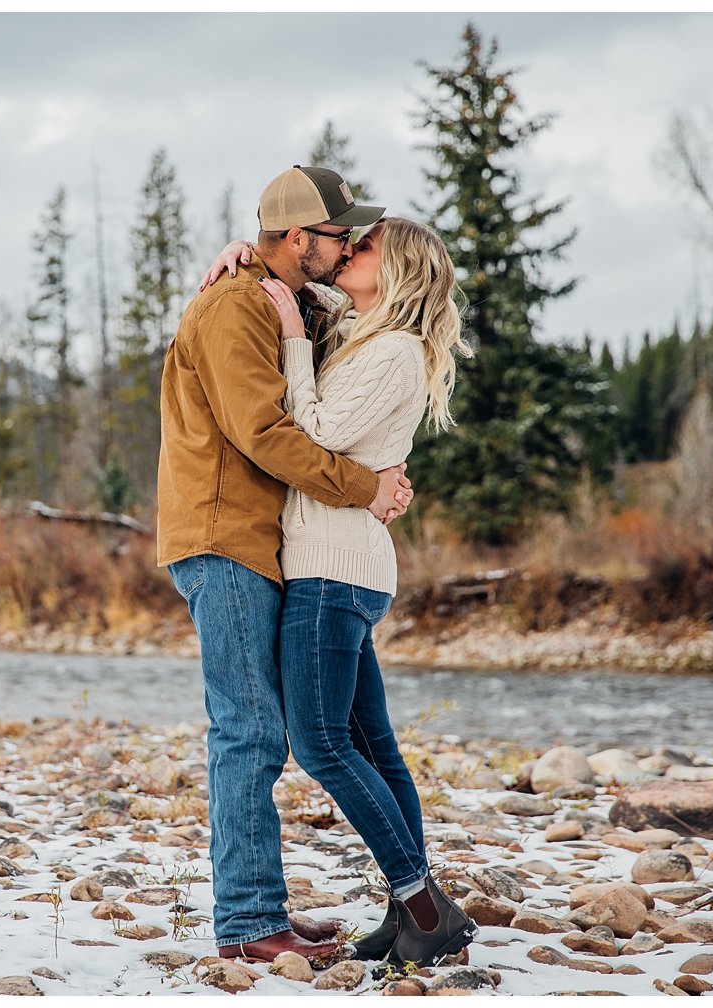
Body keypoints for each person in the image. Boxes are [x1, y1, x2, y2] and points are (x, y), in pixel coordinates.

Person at [201, 216, 478, 969]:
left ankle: (424, 903)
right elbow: (296, 265)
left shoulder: (390, 350)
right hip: (342, 565)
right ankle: (408, 914)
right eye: (347, 243)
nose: (347, 253)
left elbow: (313, 426)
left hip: (331, 569)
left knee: (320, 743)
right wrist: (243, 254)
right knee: (371, 746)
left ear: (399, 275)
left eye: (365, 249)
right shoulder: (364, 334)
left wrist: (290, 331)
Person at [156, 165, 412, 964]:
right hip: (221, 539)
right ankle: (245, 924)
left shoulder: (283, 295)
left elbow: (355, 322)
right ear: (300, 238)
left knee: (260, 731)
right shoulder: (235, 307)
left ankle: (260, 908)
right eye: (339, 236)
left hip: (256, 544)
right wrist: (364, 487)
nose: (349, 247)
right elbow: (264, 435)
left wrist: (250, 254)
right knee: (250, 732)